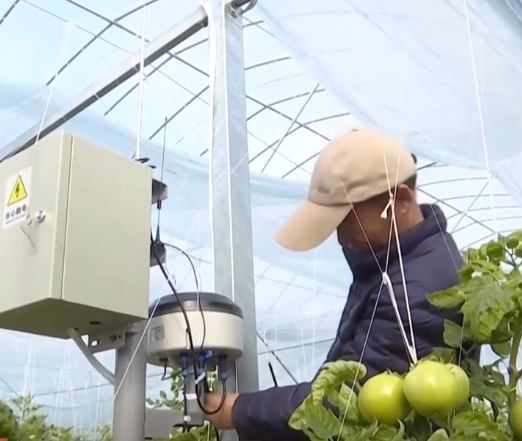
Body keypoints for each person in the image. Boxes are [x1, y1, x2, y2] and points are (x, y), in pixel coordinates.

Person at [203, 128, 475, 441]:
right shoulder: (393, 264)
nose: (341, 238)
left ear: (399, 200)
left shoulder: (416, 288)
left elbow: (345, 405)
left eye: (346, 221)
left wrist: (237, 410)